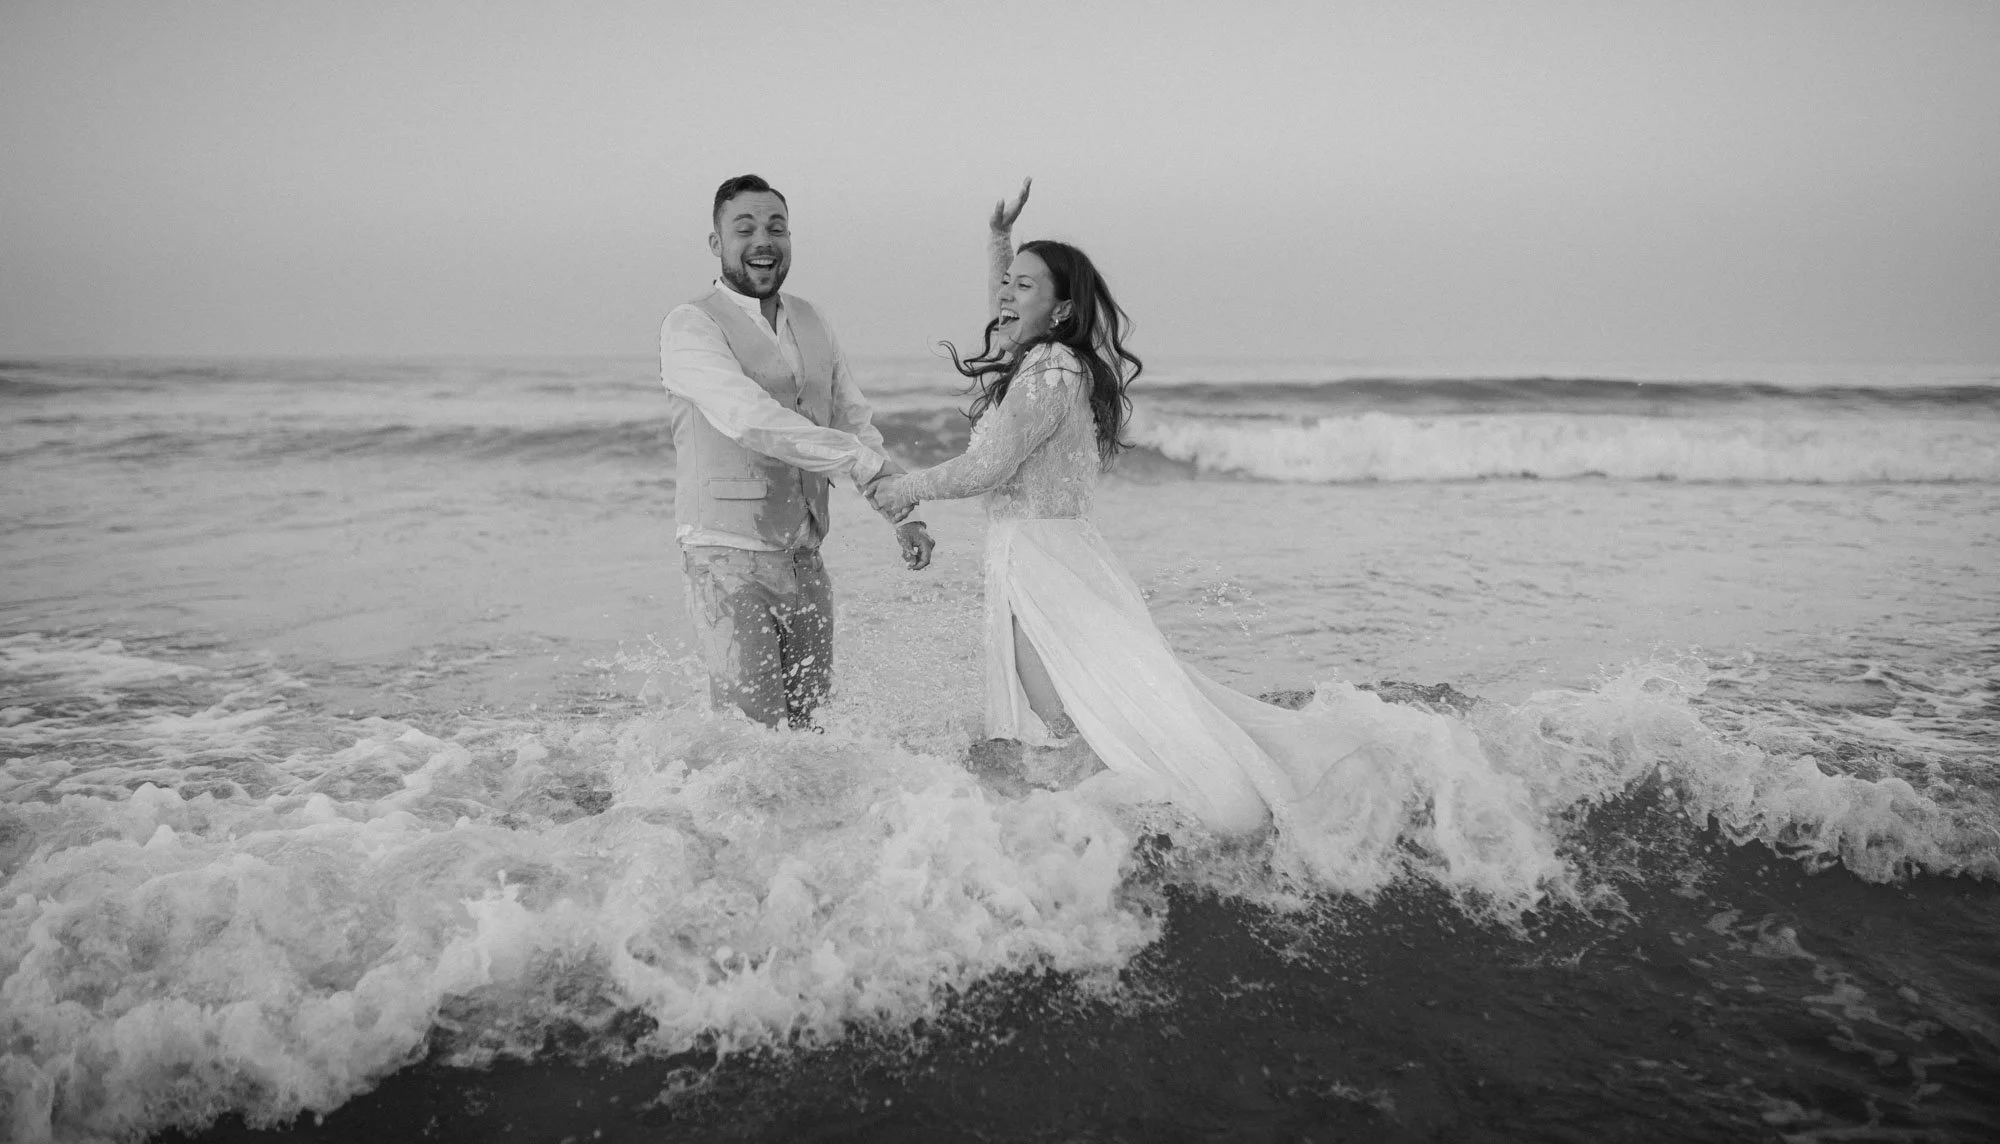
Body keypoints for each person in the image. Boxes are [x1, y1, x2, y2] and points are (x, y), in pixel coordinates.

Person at [865, 183, 1553, 888]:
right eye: (1005, 286)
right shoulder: (1042, 358)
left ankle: (1134, 838)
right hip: (1043, 556)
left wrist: (905, 487)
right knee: (1075, 713)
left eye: (1024, 287)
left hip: (1045, 565)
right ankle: (1092, 834)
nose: (1005, 298)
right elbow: (1011, 320)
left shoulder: (1048, 370)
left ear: (1061, 309)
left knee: (1072, 717)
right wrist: (1000, 244)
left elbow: (988, 466)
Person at [662, 173, 933, 729]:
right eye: (746, 228)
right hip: (726, 555)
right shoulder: (690, 326)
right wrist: (862, 463)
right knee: (754, 737)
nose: (764, 240)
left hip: (805, 554)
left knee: (810, 730)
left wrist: (900, 509)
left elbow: (853, 417)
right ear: (717, 245)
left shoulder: (813, 320)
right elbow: (749, 418)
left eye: (776, 228)